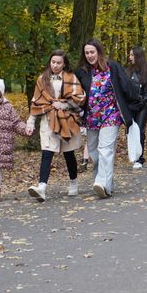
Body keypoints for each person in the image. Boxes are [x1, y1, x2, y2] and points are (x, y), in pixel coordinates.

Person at [75, 39, 140, 198]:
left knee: (106, 150)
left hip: (111, 114)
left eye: (92, 52)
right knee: (93, 151)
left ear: (98, 52)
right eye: (87, 53)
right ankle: (105, 185)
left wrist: (133, 106)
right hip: (91, 117)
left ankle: (102, 183)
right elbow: (76, 92)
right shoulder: (82, 72)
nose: (90, 55)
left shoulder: (113, 67)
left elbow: (126, 86)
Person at [26, 50, 86, 202]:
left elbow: (80, 98)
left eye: (59, 62)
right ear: (50, 62)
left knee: (68, 153)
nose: (55, 65)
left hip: (67, 119)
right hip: (48, 119)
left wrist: (64, 104)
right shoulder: (42, 79)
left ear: (64, 63)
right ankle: (42, 188)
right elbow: (37, 101)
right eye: (53, 62)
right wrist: (31, 121)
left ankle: (73, 182)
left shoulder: (71, 77)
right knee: (47, 152)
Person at [127, 46, 147, 167]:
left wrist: (141, 100)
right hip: (129, 106)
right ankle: (133, 154)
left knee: (140, 130)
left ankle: (139, 158)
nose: (130, 57)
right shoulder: (128, 71)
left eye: (132, 55)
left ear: (138, 56)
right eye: (129, 55)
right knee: (130, 131)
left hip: (142, 106)